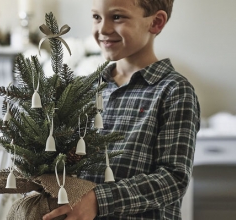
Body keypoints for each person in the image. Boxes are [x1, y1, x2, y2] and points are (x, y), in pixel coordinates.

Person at [43, 0, 200, 219]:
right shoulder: (85, 89)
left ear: (156, 22)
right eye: (97, 17)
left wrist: (99, 200)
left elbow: (173, 178)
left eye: (117, 17)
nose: (103, 29)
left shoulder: (174, 91)